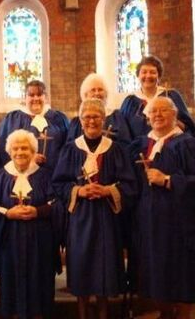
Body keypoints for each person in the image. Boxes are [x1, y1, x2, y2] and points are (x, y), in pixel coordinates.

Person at [52, 99, 137, 319]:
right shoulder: (71, 149)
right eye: (87, 117)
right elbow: (58, 183)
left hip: (107, 218)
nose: (91, 120)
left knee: (104, 268)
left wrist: (108, 190)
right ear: (80, 121)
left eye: (96, 116)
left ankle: (103, 314)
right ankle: (82, 314)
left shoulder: (115, 150)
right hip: (80, 218)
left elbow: (129, 185)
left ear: (103, 119)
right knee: (81, 266)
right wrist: (78, 191)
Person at [0, 129, 63, 319]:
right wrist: (7, 213)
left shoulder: (45, 176)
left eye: (25, 148)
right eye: (16, 148)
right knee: (11, 286)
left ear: (33, 151)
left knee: (40, 284)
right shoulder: (0, 177)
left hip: (40, 241)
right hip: (9, 241)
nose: (20, 152)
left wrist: (38, 211)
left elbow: (57, 203)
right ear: (9, 152)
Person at [129, 96, 195, 319]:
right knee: (157, 273)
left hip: (178, 223)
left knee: (181, 273)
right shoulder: (141, 145)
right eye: (153, 112)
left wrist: (167, 180)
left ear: (175, 116)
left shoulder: (186, 143)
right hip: (149, 222)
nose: (157, 115)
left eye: (163, 111)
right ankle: (165, 314)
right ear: (147, 118)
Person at [0, 80, 69, 171]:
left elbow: (68, 149)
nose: (36, 98)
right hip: (23, 175)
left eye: (39, 95)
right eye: (31, 95)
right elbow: (3, 151)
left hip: (54, 175)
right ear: (24, 97)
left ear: (45, 97)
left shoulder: (59, 119)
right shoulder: (12, 119)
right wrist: (26, 159)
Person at [120, 55, 195, 139]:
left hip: (171, 147)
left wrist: (173, 122)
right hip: (139, 149)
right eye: (144, 72)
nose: (148, 76)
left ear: (159, 76)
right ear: (138, 75)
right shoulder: (130, 102)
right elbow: (123, 133)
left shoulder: (171, 96)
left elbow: (189, 128)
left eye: (152, 72)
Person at [67, 73, 132, 147]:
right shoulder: (76, 123)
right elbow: (71, 149)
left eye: (100, 89)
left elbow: (125, 144)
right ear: (85, 95)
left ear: (106, 94)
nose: (97, 93)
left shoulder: (116, 118)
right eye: (93, 90)